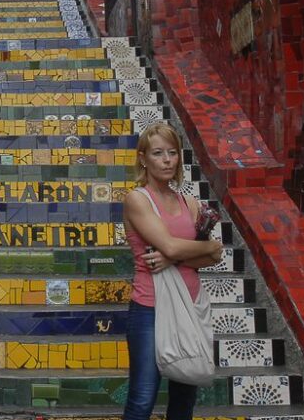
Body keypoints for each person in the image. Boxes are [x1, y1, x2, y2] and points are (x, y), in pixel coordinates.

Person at [122, 123, 223, 420]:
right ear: (143, 158)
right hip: (150, 308)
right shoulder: (137, 199)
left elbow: (213, 257)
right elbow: (178, 247)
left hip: (190, 307)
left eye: (172, 153)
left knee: (184, 400)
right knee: (142, 398)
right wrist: (195, 249)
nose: (166, 160)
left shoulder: (189, 203)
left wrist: (175, 257)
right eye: (158, 153)